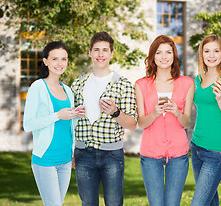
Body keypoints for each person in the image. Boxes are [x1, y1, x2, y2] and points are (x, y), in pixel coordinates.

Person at [71, 32, 137, 206]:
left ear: (111, 53)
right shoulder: (78, 84)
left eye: (105, 50)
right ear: (90, 52)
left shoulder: (123, 84)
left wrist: (116, 112)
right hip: (83, 153)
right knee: (88, 204)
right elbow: (72, 122)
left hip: (112, 155)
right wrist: (72, 149)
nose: (101, 54)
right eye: (97, 50)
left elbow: (132, 123)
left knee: (114, 203)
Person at [135, 35, 194, 206]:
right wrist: (154, 113)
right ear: (153, 56)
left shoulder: (187, 83)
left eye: (168, 52)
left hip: (178, 154)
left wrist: (177, 112)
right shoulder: (141, 85)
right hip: (150, 154)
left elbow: (186, 122)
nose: (164, 57)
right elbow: (141, 122)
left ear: (174, 55)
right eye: (159, 52)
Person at [23, 41, 84, 206]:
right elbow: (28, 125)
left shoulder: (68, 90)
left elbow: (68, 126)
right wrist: (57, 115)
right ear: (45, 61)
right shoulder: (38, 87)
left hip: (65, 159)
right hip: (45, 159)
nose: (60, 63)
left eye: (64, 59)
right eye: (55, 59)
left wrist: (77, 115)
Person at [191, 35, 221, 206]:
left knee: (198, 203)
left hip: (216, 152)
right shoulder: (198, 79)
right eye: (207, 51)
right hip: (196, 147)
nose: (211, 55)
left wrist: (220, 98)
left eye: (216, 51)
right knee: (210, 201)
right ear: (201, 54)